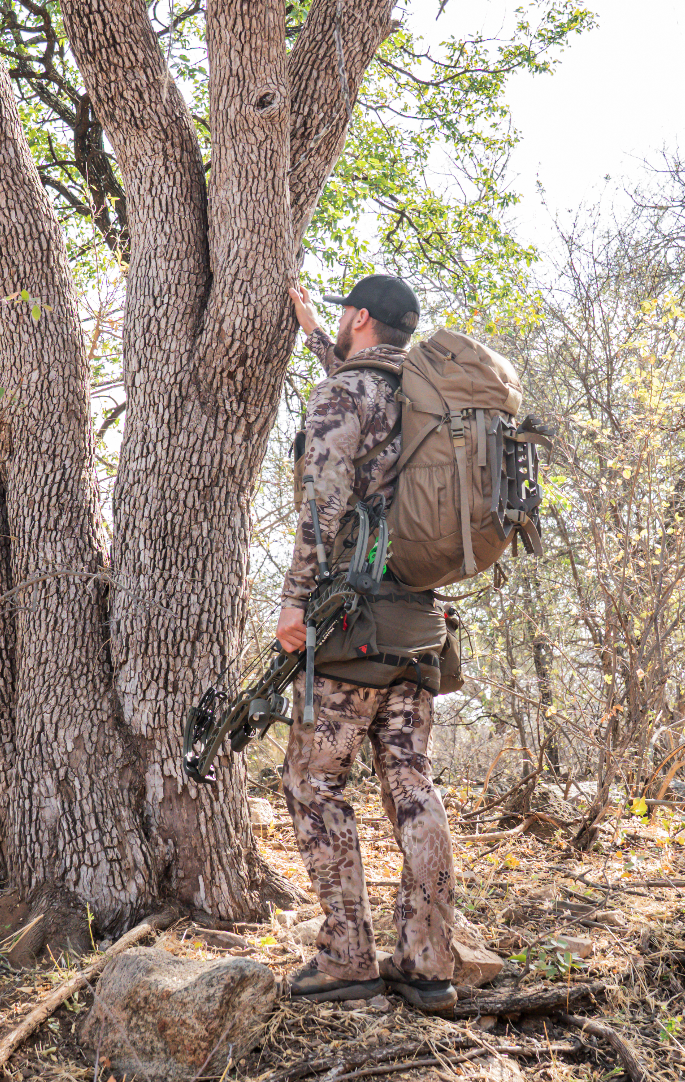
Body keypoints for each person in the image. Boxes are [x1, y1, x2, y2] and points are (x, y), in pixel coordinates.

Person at [275, 273, 458, 1012]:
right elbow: (375, 424)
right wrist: (316, 333)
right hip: (420, 627)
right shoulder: (422, 398)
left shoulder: (345, 395)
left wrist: (294, 601)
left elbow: (323, 502)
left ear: (359, 317)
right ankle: (428, 964)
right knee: (411, 785)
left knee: (313, 784)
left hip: (351, 628)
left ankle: (347, 958)